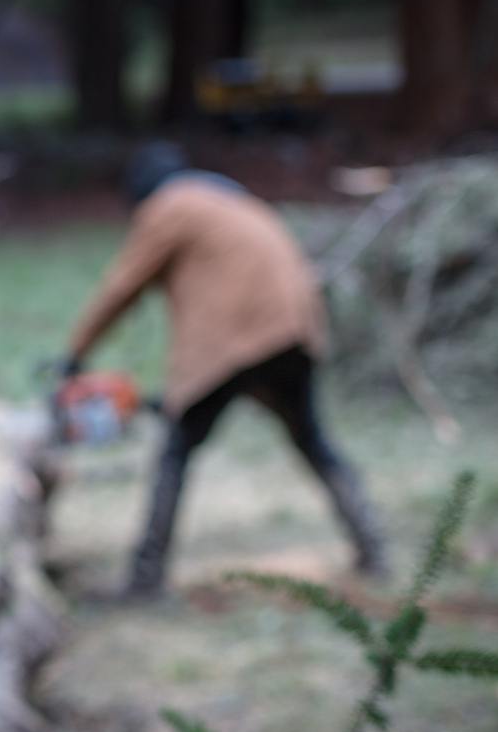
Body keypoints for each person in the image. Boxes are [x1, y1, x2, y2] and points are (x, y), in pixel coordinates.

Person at [62, 142, 387, 598]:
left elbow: (123, 286)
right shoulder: (230, 202)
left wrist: (74, 355)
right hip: (295, 327)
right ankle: (374, 550)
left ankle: (145, 580)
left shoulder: (172, 206)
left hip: (240, 337)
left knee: (176, 450)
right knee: (312, 439)